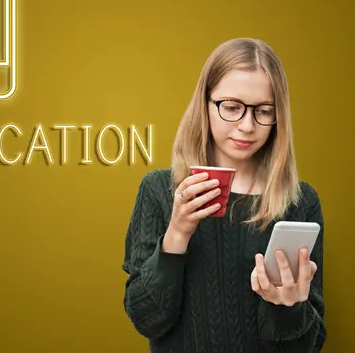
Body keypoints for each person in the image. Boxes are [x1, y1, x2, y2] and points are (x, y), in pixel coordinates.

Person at [121, 38, 325, 352]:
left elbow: (309, 346)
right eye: (231, 107)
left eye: (263, 111)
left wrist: (285, 307)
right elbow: (146, 320)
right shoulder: (159, 191)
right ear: (205, 102)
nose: (246, 126)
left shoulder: (299, 202)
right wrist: (176, 235)